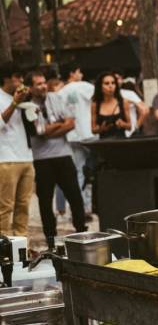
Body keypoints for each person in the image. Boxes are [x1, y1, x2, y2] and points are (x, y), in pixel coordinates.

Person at [26, 70, 87, 248]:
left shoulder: (56, 98)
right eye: (38, 84)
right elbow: (38, 132)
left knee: (75, 196)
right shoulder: (27, 105)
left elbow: (70, 123)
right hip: (42, 159)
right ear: (30, 87)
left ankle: (81, 232)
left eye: (44, 82)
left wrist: (49, 130)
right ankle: (51, 239)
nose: (43, 86)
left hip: (63, 155)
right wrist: (55, 127)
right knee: (45, 201)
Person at [0, 63, 34, 237]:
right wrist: (14, 103)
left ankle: (22, 246)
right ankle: (4, 247)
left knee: (23, 205)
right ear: (6, 78)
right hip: (6, 158)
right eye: (17, 77)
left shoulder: (24, 98)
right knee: (5, 206)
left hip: (26, 156)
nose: (21, 81)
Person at [58, 66, 96, 217]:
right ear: (72, 73)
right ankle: (88, 205)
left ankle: (81, 207)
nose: (81, 74)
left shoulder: (62, 92)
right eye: (79, 71)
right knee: (91, 171)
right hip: (88, 133)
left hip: (72, 134)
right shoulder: (86, 86)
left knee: (79, 170)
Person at [91, 71, 131, 140]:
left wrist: (122, 124)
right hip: (104, 143)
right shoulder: (95, 104)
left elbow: (129, 126)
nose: (110, 86)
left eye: (113, 83)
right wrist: (101, 129)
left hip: (121, 142)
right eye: (106, 83)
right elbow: (93, 130)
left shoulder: (123, 102)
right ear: (100, 86)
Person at [114, 71, 148, 136]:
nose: (115, 82)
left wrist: (136, 128)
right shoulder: (104, 97)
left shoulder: (129, 94)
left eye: (117, 78)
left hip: (129, 134)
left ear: (121, 80)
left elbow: (144, 110)